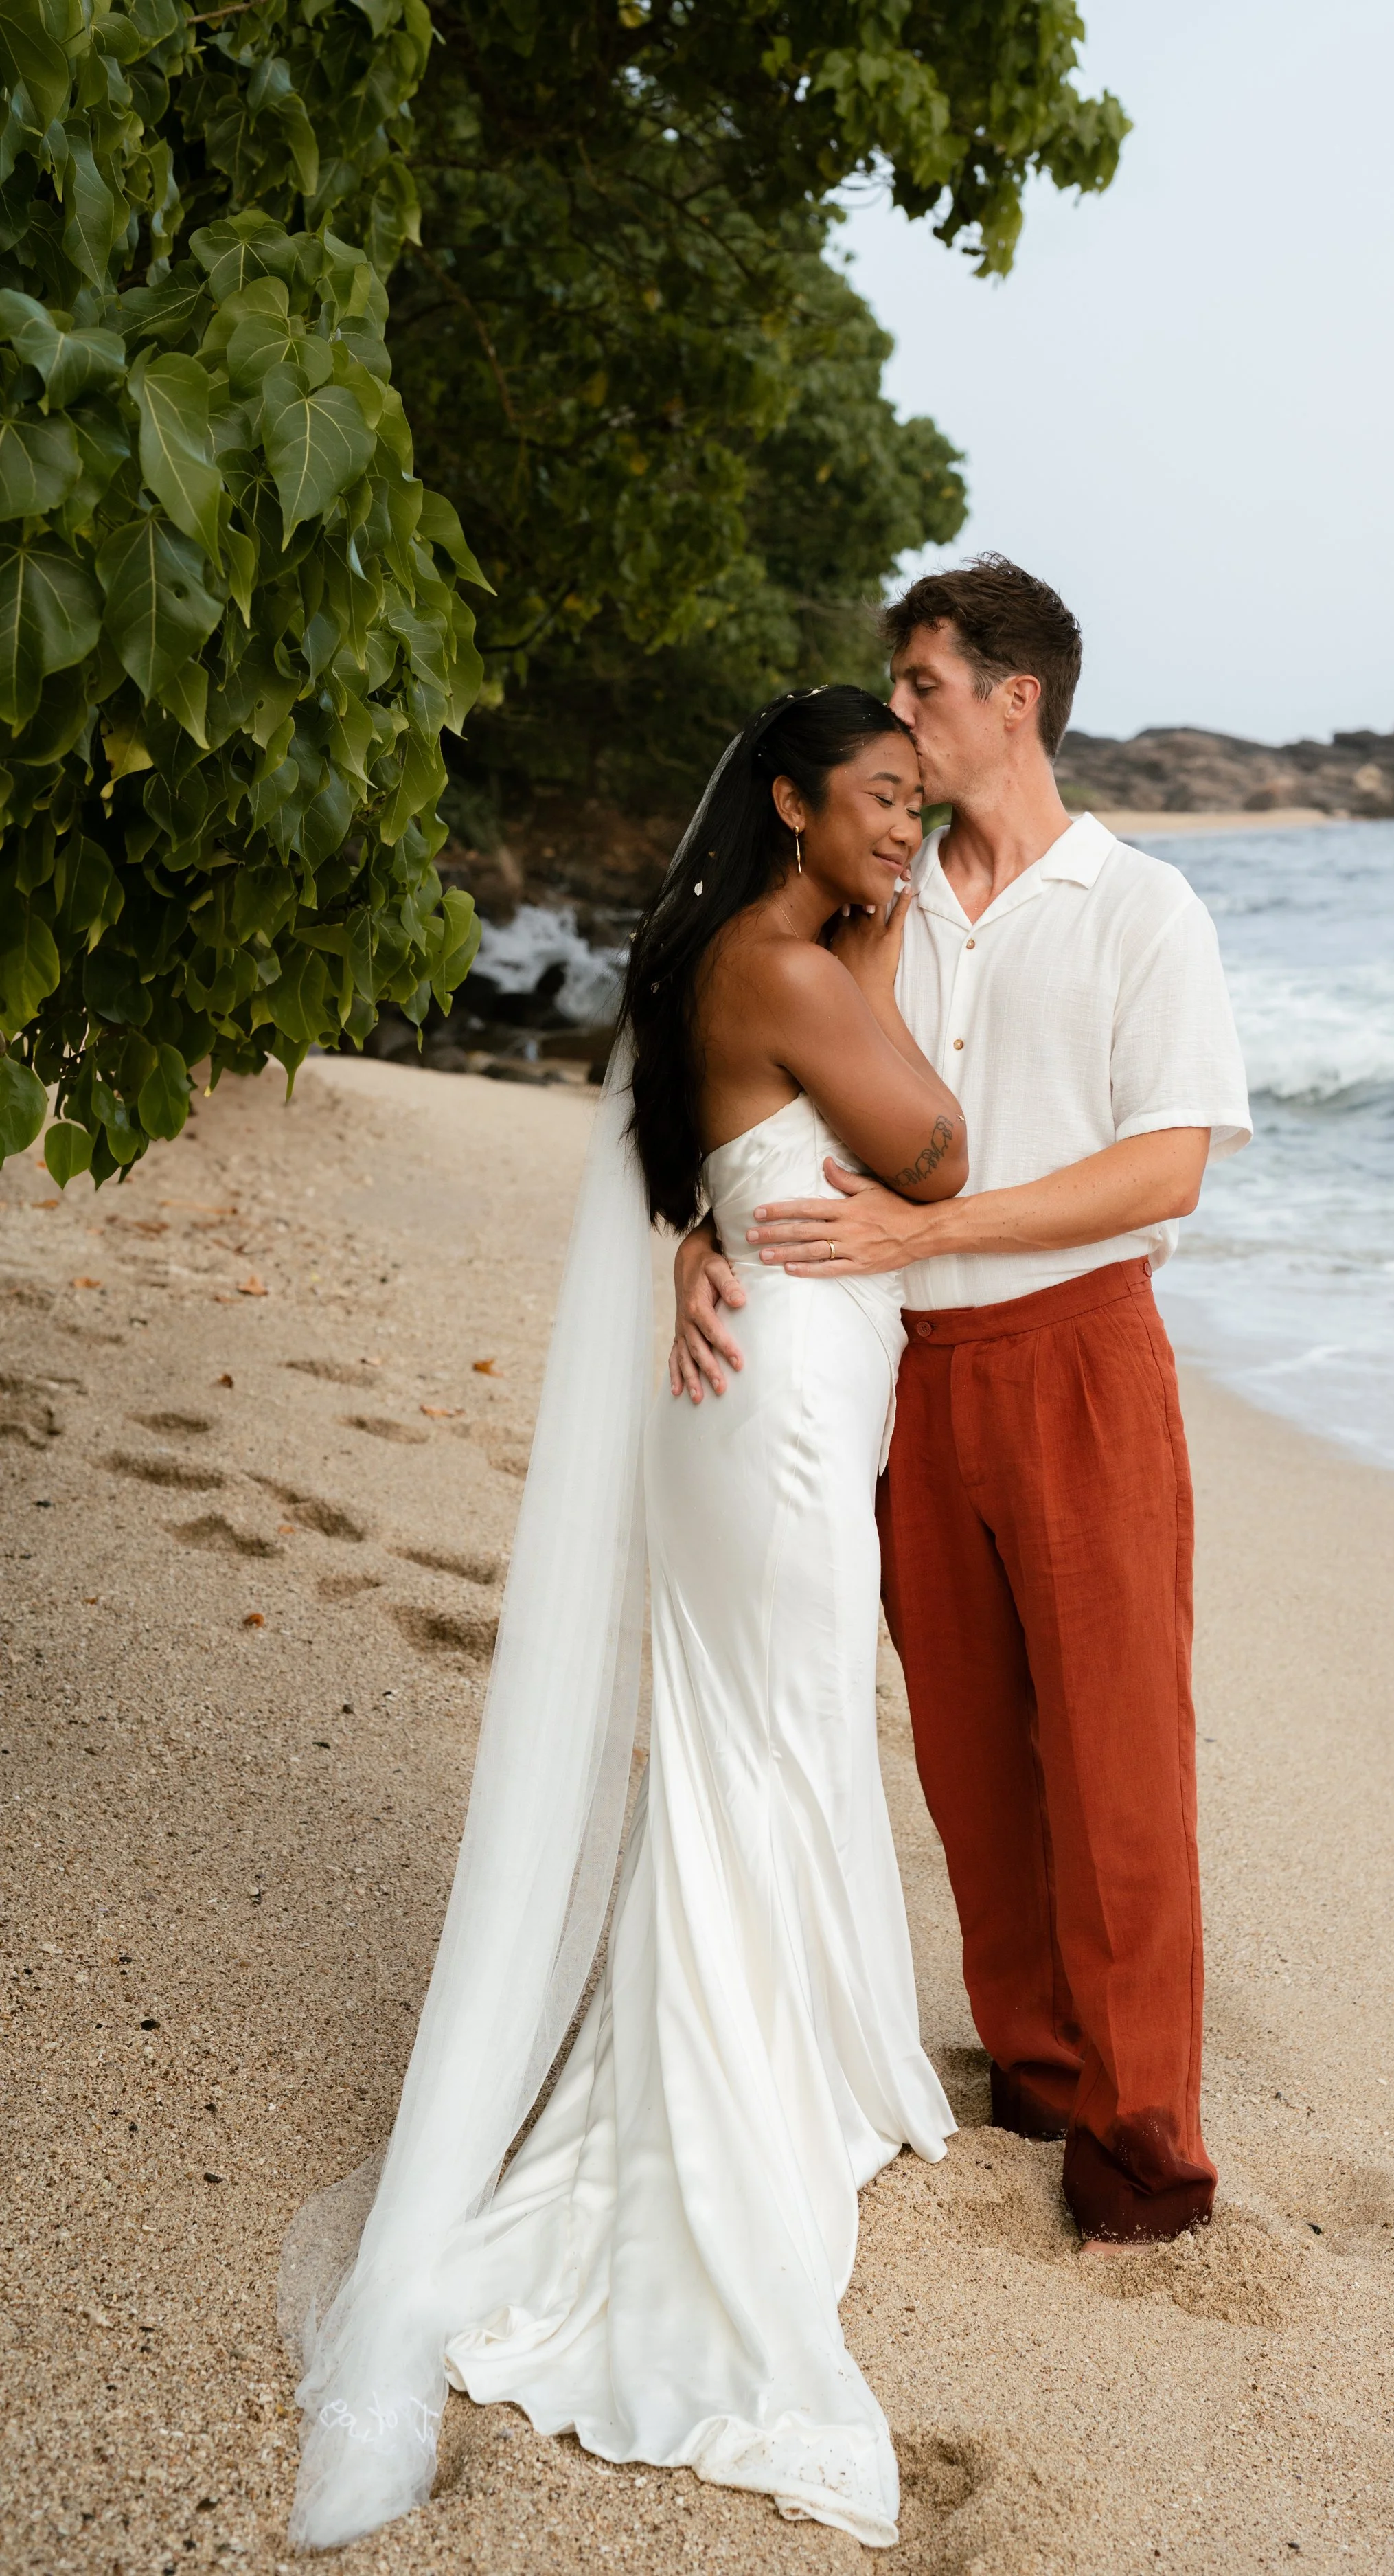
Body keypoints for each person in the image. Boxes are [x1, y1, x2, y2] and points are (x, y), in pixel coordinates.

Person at [284, 688, 968, 2552]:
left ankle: (809, 2052)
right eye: (880, 801)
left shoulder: (705, 954)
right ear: (789, 804)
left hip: (733, 1376)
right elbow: (935, 1154)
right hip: (783, 1410)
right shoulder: (804, 963)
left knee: (761, 1732)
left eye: (921, 806)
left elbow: (687, 1159)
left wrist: (704, 1233)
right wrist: (890, 953)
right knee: (769, 1735)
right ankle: (740, 2098)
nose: (904, 829)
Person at [672, 558, 1253, 2246]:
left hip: (1078, 1355)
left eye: (922, 687)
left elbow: (1167, 1168)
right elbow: (750, 1066)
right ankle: (1038, 2068)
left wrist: (940, 1226)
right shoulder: (879, 901)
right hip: (904, 1372)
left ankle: (1143, 2144)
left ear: (1016, 700)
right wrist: (694, 1239)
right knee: (968, 1755)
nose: (900, 719)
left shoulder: (1142, 907)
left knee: (1116, 1751)